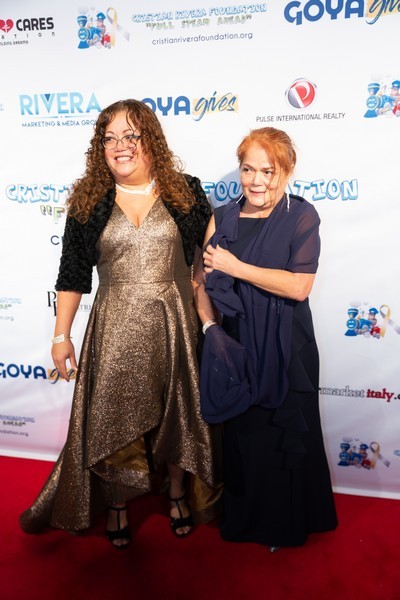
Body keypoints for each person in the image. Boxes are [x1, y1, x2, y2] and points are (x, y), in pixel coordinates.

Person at [20, 99, 222, 548]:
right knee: (113, 417)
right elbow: (72, 275)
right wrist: (60, 335)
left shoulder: (185, 191)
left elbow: (206, 261)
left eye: (130, 135)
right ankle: (117, 503)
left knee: (178, 413)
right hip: (114, 328)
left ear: (150, 140)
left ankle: (176, 492)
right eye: (109, 138)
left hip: (175, 323)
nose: (120, 146)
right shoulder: (89, 201)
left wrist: (207, 311)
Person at [193, 127, 337, 551]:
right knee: (244, 434)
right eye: (248, 169)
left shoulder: (302, 216)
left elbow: (299, 287)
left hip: (286, 344)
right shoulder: (223, 216)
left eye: (268, 171)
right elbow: (200, 281)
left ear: (286, 172)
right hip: (235, 341)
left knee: (283, 432)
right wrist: (209, 327)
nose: (257, 181)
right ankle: (246, 520)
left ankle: (285, 524)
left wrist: (237, 267)